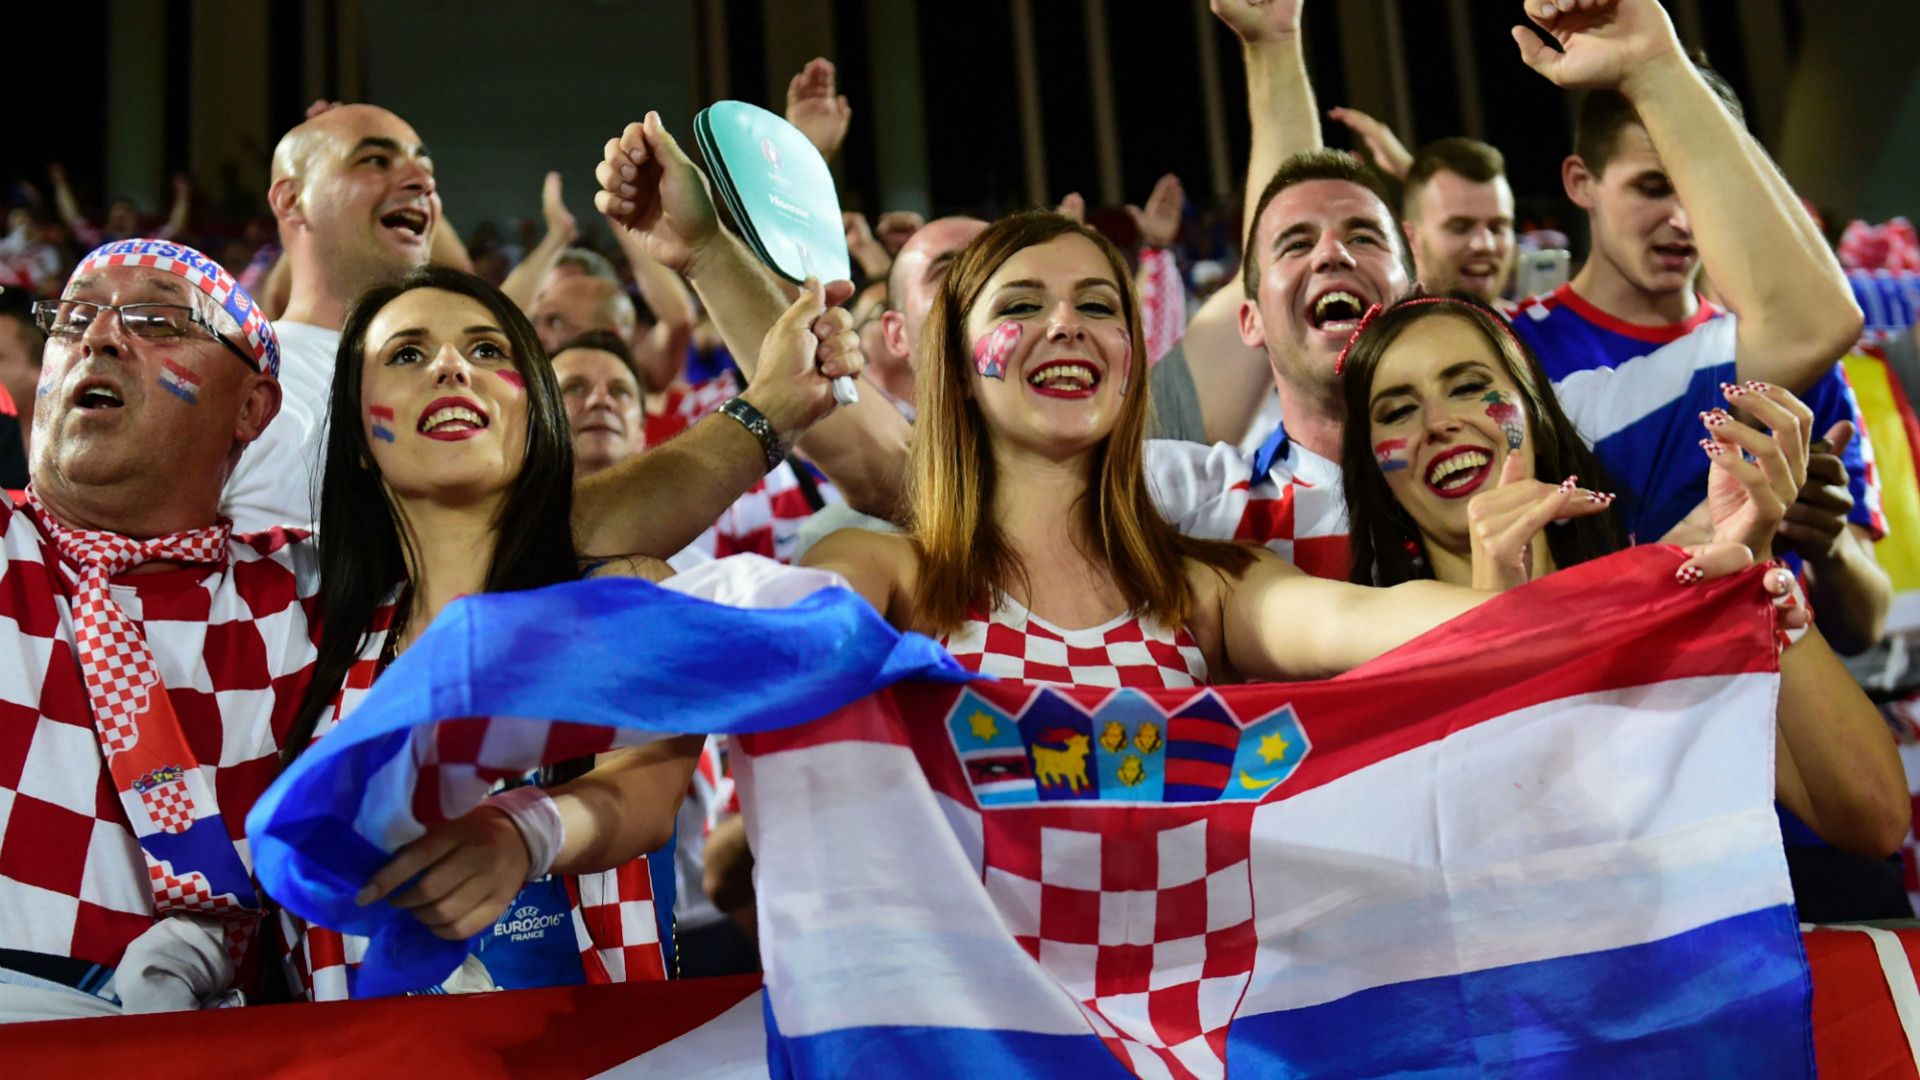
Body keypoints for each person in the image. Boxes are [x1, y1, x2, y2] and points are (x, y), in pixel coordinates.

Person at [0, 237, 861, 1019]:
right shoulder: (329, 624)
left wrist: (527, 834)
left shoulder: (593, 588)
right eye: (407, 355)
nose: (451, 368)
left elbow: (648, 770)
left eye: (489, 351)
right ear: (359, 431)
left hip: (590, 1047)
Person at [802, 212, 1541, 687]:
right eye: (1021, 305)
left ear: (1131, 361)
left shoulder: (1208, 592)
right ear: (958, 371)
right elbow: (771, 656)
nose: (1067, 325)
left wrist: (1501, 591)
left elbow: (1365, 624)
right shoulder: (879, 576)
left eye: (1098, 305)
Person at [1334, 291, 1908, 857]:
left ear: (1535, 410)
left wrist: (1754, 573)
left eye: (1466, 386)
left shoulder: (1662, 594)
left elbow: (1874, 820)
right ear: (1376, 472)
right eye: (1399, 410)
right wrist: (1499, 618)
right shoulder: (1378, 658)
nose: (1438, 423)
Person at [1511, 44, 1889, 653]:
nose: (1683, 219)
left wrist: (1829, 545)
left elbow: (1864, 627)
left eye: (1697, 190)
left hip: (1773, 719)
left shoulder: (1795, 361)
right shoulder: (1510, 355)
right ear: (1581, 182)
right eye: (1654, 187)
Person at [224, 103, 469, 530]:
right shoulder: (231, 379)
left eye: (426, 170)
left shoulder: (463, 379)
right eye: (375, 160)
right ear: (292, 199)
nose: (425, 183)